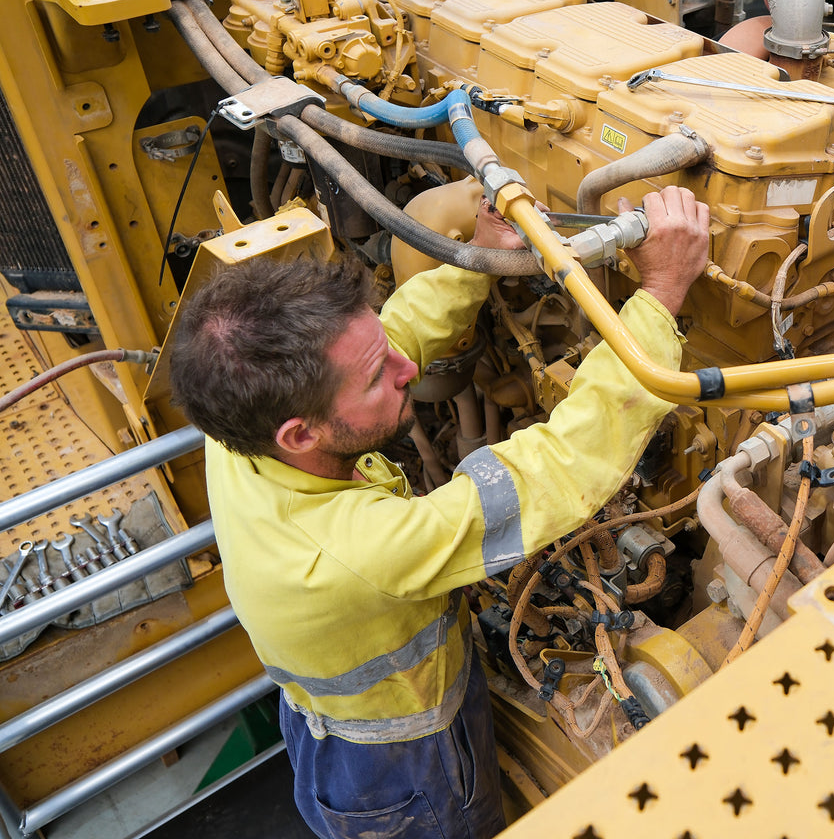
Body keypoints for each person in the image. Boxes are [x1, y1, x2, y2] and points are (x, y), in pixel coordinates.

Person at [169, 186, 710, 839]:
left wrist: (478, 259)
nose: (406, 368)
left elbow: (391, 335)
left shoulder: (244, 413)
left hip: (332, 723)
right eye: (379, 377)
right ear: (300, 434)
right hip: (401, 766)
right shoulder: (351, 554)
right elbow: (556, 468)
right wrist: (660, 298)